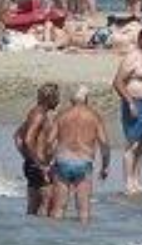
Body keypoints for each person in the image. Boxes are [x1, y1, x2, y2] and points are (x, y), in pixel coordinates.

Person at [46, 86, 111, 224]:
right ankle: (83, 243)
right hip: (83, 162)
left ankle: (55, 241)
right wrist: (105, 166)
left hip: (63, 160)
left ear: (71, 100)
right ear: (87, 99)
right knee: (84, 210)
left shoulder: (62, 115)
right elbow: (104, 144)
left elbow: (49, 141)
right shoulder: (94, 116)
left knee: (58, 209)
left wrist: (49, 162)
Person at [113, 27, 142, 195]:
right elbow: (118, 82)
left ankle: (137, 178)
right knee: (132, 144)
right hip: (135, 103)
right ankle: (128, 182)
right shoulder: (132, 58)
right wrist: (130, 102)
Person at [18, 83, 60, 216]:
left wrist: (27, 158)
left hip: (33, 164)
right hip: (39, 166)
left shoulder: (35, 112)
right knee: (47, 207)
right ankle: (44, 235)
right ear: (49, 98)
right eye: (56, 97)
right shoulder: (39, 115)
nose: (58, 101)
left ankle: (31, 234)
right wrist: (39, 164)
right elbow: (27, 139)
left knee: (32, 209)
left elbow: (17, 137)